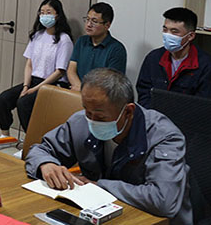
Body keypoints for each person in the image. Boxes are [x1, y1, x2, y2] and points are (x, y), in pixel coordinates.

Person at [25, 68, 192, 225]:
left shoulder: (164, 136)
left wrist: (100, 185)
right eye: (87, 112)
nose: (91, 121)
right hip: (101, 212)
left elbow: (163, 200)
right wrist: (46, 164)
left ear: (128, 111)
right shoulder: (81, 121)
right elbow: (40, 149)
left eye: (100, 117)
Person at [0, 0, 73, 136]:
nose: (44, 16)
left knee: (23, 103)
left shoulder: (64, 39)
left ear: (57, 15)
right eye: (42, 12)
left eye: (48, 12)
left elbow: (60, 71)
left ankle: (32, 140)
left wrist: (35, 89)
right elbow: (29, 64)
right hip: (33, 81)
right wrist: (26, 86)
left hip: (52, 84)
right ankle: (4, 135)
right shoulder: (37, 35)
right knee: (2, 99)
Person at [136, 7, 211, 108]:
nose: (168, 35)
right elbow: (144, 93)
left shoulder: (205, 65)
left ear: (190, 36)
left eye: (174, 31)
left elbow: (202, 104)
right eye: (165, 29)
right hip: (154, 115)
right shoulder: (153, 58)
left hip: (186, 117)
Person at [67, 2, 127, 91]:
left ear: (107, 25)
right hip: (78, 92)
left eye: (94, 21)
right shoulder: (81, 41)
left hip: (101, 96)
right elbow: (71, 70)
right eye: (87, 19)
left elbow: (111, 83)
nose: (88, 24)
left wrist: (84, 91)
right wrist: (80, 89)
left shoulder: (117, 49)